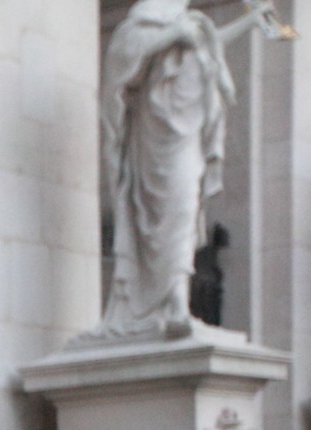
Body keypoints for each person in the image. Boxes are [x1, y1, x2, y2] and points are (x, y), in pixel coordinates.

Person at [88, 0, 254, 343]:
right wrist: (170, 37)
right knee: (160, 216)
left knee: (183, 212)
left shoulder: (192, 22)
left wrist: (251, 21)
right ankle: (162, 304)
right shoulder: (143, 21)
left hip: (187, 137)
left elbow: (211, 43)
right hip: (153, 141)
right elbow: (122, 64)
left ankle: (177, 301)